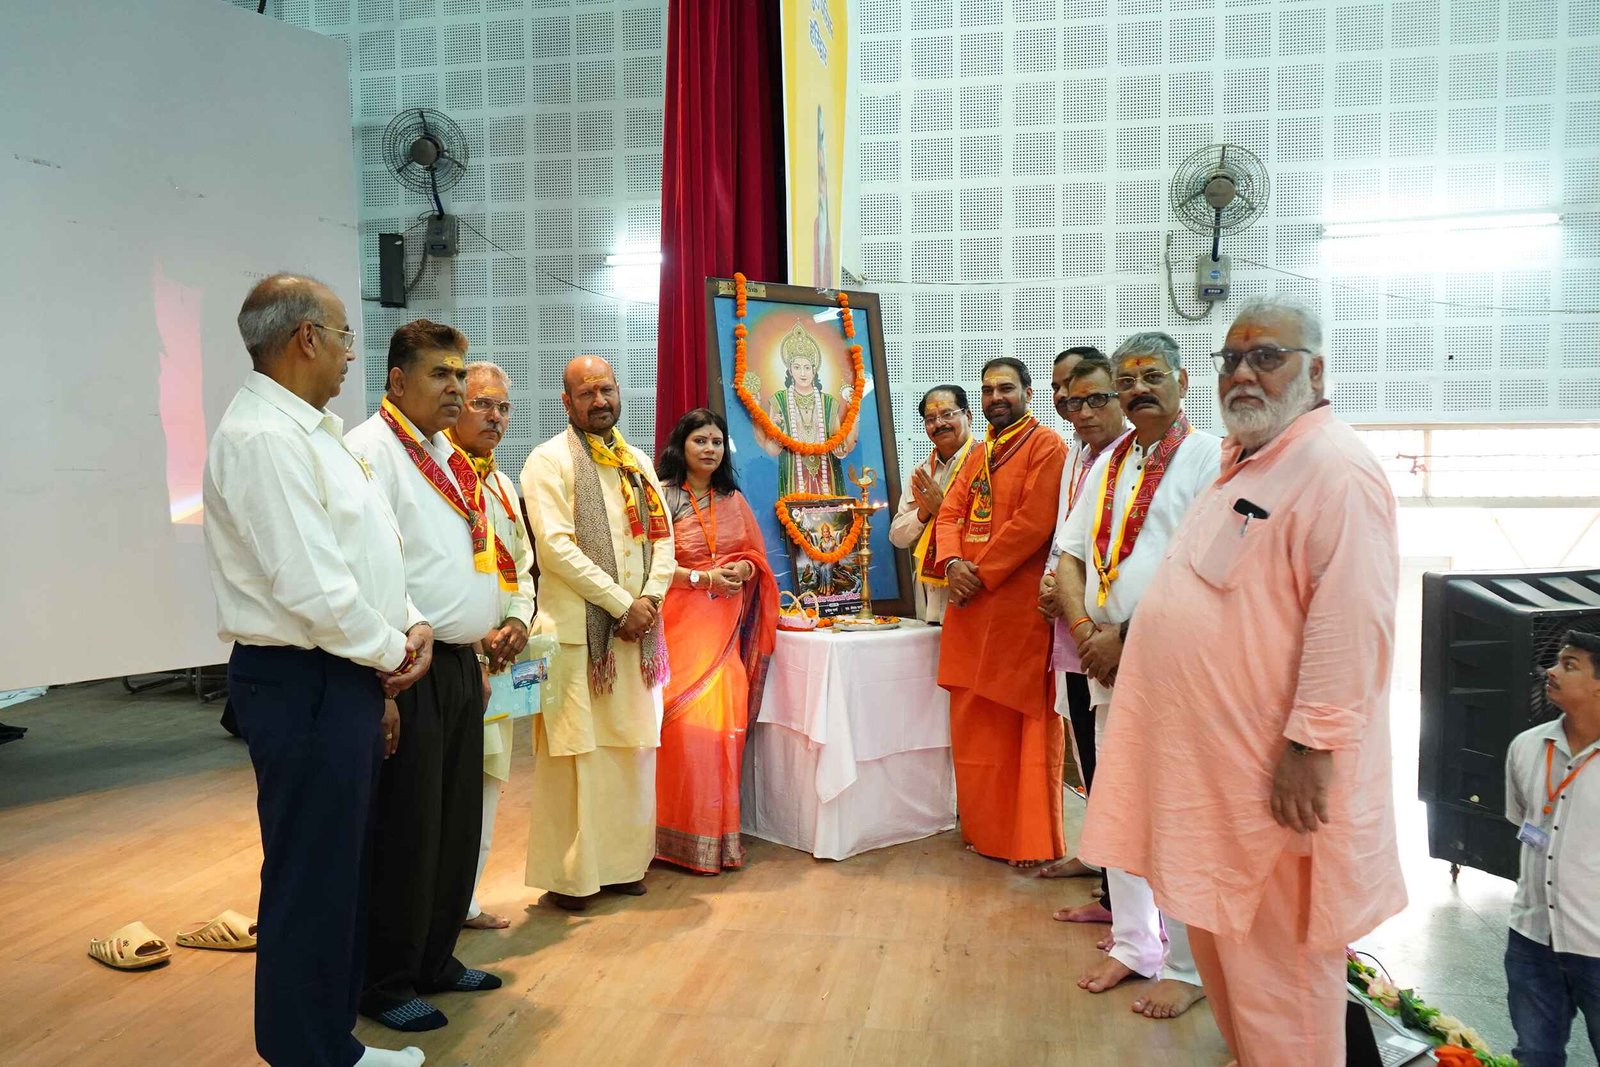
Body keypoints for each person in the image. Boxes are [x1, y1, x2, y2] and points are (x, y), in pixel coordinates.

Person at [1078, 298, 1405, 1064]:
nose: (1244, 373)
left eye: (1267, 356)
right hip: (1221, 783)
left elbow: (1352, 621)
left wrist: (1311, 743)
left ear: (1316, 370)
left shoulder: (1335, 469)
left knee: (1283, 994)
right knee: (1237, 989)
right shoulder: (1253, 460)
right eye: (1232, 359)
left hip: (1276, 789)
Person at [203, 273, 428, 1067]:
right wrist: (392, 647)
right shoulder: (263, 437)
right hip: (303, 679)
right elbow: (311, 586)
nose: (347, 355)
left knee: (338, 868)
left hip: (338, 672)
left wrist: (404, 620)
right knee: (311, 874)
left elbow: (361, 556)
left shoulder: (310, 429)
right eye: (342, 336)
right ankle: (308, 1052)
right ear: (304, 338)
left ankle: (331, 1042)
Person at [1054, 332, 1221, 1020]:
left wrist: (1127, 635)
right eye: (1126, 379)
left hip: (1175, 662)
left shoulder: (1211, 455)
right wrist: (1092, 633)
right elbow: (1068, 555)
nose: (1136, 388)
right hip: (1106, 660)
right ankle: (1133, 942)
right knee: (1116, 800)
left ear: (1183, 379)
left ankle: (1186, 964)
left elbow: (1205, 565)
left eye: (1152, 375)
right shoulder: (1110, 460)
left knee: (1175, 809)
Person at [347, 321, 509, 1032]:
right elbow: (373, 569)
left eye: (460, 372)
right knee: (407, 828)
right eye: (440, 373)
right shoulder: (370, 451)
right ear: (396, 380)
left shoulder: (447, 453)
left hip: (457, 661)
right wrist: (386, 676)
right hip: (406, 666)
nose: (456, 386)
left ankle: (436, 957)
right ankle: (387, 981)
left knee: (451, 821)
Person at [520, 355, 675, 910]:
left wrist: (650, 600)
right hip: (573, 640)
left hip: (634, 638)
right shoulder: (547, 461)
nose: (599, 401)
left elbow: (665, 538)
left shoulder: (635, 460)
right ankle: (572, 877)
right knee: (575, 756)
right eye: (585, 393)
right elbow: (555, 550)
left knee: (630, 752)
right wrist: (620, 603)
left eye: (606, 389)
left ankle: (622, 865)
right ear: (567, 403)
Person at [930, 356, 1069, 868]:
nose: (995, 398)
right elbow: (949, 512)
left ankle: (1028, 840)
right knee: (973, 720)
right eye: (987, 390)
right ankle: (983, 831)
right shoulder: (980, 451)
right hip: (969, 605)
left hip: (1016, 606)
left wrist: (979, 571)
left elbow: (1034, 522)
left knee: (1019, 722)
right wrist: (951, 562)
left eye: (1006, 388)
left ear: (1028, 392)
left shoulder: (1046, 445)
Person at [653, 408, 778, 874]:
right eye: (700, 441)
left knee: (722, 730)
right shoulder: (662, 497)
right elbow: (649, 565)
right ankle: (670, 836)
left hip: (724, 628)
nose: (710, 449)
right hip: (677, 628)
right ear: (681, 447)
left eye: (717, 442)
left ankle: (716, 837)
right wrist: (702, 575)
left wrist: (743, 570)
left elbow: (754, 556)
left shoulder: (733, 499)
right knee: (680, 732)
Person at [446, 361, 539, 931]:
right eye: (484, 405)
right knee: (446, 786)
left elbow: (525, 568)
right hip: (456, 655)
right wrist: (477, 630)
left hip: (502, 659)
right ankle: (433, 907)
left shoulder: (503, 484)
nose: (496, 417)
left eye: (503, 407)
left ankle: (466, 901)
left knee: (489, 781)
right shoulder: (440, 476)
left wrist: (520, 623)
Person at [1036, 352, 1129, 908]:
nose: (1081, 411)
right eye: (1069, 399)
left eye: (1095, 398)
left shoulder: (1131, 457)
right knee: (1085, 747)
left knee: (1112, 756)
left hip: (1110, 628)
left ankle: (1119, 895)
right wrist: (1053, 582)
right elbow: (1065, 534)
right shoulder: (1077, 453)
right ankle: (1098, 860)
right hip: (1068, 622)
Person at [1505, 628, 1600, 1067]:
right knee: (1534, 1055)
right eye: (1556, 661)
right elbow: (1523, 818)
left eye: (1569, 664)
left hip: (1597, 945)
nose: (1551, 671)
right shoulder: (1526, 746)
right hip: (1531, 939)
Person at [888, 385, 975, 623]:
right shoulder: (921, 473)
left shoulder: (986, 464)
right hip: (927, 597)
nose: (939, 424)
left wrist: (942, 508)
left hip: (968, 589)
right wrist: (923, 513)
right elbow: (897, 536)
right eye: (930, 419)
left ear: (968, 416)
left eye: (948, 414)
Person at [750, 323, 859, 496]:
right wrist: (769, 424)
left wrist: (855, 411)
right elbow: (771, 450)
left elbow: (842, 448)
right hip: (794, 477)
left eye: (807, 367)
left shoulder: (828, 402)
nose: (803, 373)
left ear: (815, 370)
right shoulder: (779, 401)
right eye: (797, 367)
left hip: (827, 477)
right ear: (789, 370)